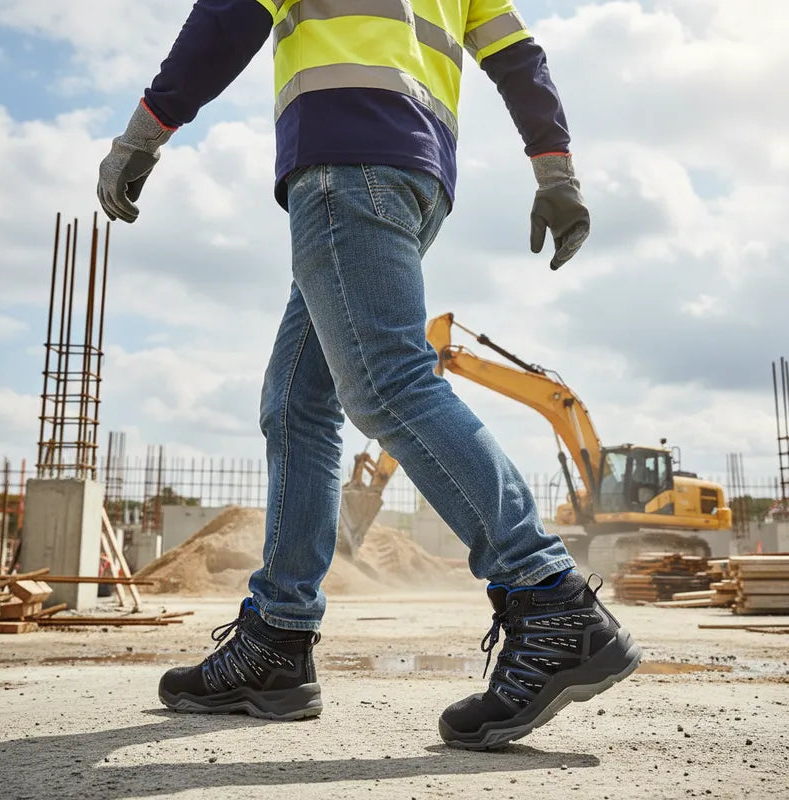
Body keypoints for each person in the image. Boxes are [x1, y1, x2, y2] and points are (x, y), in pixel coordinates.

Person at [98, 0, 640, 750]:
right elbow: (520, 59)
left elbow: (225, 20)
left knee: (388, 382)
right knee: (296, 403)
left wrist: (140, 138)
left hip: (345, 164)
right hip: (418, 177)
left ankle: (552, 601)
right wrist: (556, 170)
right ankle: (277, 644)